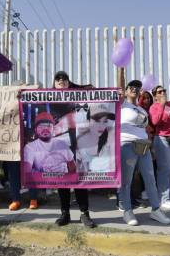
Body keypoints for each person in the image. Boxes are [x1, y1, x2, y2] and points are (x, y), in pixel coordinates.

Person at [118, 79, 170, 226]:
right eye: (132, 87)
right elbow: (120, 84)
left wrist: (150, 145)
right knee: (126, 181)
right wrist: (121, 70)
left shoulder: (142, 110)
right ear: (127, 89)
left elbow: (146, 129)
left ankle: (156, 209)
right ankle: (127, 211)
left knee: (150, 178)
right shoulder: (122, 104)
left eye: (138, 87)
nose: (135, 89)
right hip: (127, 145)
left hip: (143, 146)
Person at [47, 71, 95, 227]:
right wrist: (22, 94)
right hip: (60, 139)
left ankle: (84, 213)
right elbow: (30, 97)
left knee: (79, 176)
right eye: (58, 78)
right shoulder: (48, 95)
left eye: (65, 78)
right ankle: (64, 213)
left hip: (79, 140)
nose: (61, 80)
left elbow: (90, 90)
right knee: (63, 177)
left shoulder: (77, 94)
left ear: (69, 82)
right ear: (54, 83)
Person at [149, 85, 170, 209]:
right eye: (159, 91)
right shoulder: (154, 107)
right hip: (162, 139)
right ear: (155, 96)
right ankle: (163, 199)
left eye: (164, 90)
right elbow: (155, 122)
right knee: (164, 170)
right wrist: (162, 105)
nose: (163, 92)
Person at [76, 103, 116, 172]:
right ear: (88, 121)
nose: (101, 125)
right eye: (97, 121)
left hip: (108, 179)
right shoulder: (80, 140)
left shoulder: (111, 134)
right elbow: (80, 170)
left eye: (105, 121)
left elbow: (113, 165)